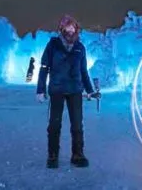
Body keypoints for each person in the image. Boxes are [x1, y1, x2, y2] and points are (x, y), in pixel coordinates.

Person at [35, 14, 99, 168]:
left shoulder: (80, 48)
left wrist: (90, 90)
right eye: (67, 27)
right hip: (56, 90)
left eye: (72, 27)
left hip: (75, 90)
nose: (70, 30)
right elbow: (44, 68)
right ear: (62, 28)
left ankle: (77, 155)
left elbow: (84, 71)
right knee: (54, 125)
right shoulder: (53, 45)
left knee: (77, 125)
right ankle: (53, 156)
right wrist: (40, 89)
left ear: (76, 28)